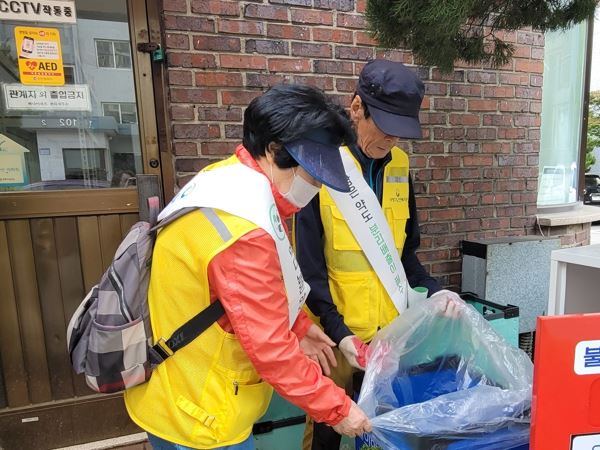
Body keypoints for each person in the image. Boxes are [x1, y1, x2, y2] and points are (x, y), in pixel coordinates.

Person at [123, 84, 372, 450]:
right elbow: (271, 349)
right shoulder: (245, 227)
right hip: (199, 415)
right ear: (274, 150)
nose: (316, 187)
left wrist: (300, 326)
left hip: (179, 390)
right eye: (312, 175)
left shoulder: (227, 181)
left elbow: (246, 294)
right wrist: (338, 410)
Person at [295, 59, 463, 450]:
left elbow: (407, 256)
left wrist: (436, 290)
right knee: (328, 434)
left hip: (388, 340)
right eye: (384, 128)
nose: (390, 141)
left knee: (381, 434)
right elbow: (308, 273)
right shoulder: (321, 166)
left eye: (400, 133)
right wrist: (341, 334)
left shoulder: (400, 167)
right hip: (334, 338)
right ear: (357, 108)